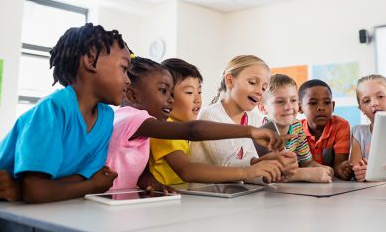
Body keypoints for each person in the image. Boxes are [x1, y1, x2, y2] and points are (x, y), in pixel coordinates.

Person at [106, 56, 286, 190]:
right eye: (163, 91)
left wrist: (151, 183)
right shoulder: (139, 120)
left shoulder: (148, 126)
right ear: (132, 94)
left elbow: (141, 169)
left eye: (199, 92)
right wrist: (250, 139)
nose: (170, 99)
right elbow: (192, 136)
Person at [0, 23, 129, 203]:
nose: (128, 80)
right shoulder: (53, 109)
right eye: (124, 68)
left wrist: (32, 189)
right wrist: (92, 187)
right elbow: (35, 192)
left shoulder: (106, 117)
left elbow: (79, 177)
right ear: (91, 60)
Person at [190, 55, 298, 180]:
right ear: (229, 80)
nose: (259, 91)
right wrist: (263, 164)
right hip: (203, 195)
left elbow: (249, 163)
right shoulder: (209, 115)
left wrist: (276, 162)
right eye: (252, 82)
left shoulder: (255, 119)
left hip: (236, 194)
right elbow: (228, 165)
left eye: (264, 88)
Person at [258, 74, 334, 183]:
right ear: (262, 108)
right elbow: (264, 173)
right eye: (280, 101)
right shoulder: (259, 131)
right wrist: (307, 174)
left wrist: (323, 169)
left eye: (293, 100)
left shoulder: (297, 127)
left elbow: (307, 163)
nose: (289, 107)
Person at [298, 79, 352, 180]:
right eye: (313, 103)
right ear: (300, 107)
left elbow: (338, 165)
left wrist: (341, 169)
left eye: (327, 102)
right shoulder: (295, 129)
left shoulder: (341, 125)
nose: (321, 107)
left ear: (333, 106)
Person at [350, 74, 386, 182]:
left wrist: (373, 173)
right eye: (366, 101)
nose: (374, 103)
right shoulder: (358, 132)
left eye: (380, 96)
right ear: (361, 109)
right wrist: (361, 172)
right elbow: (356, 167)